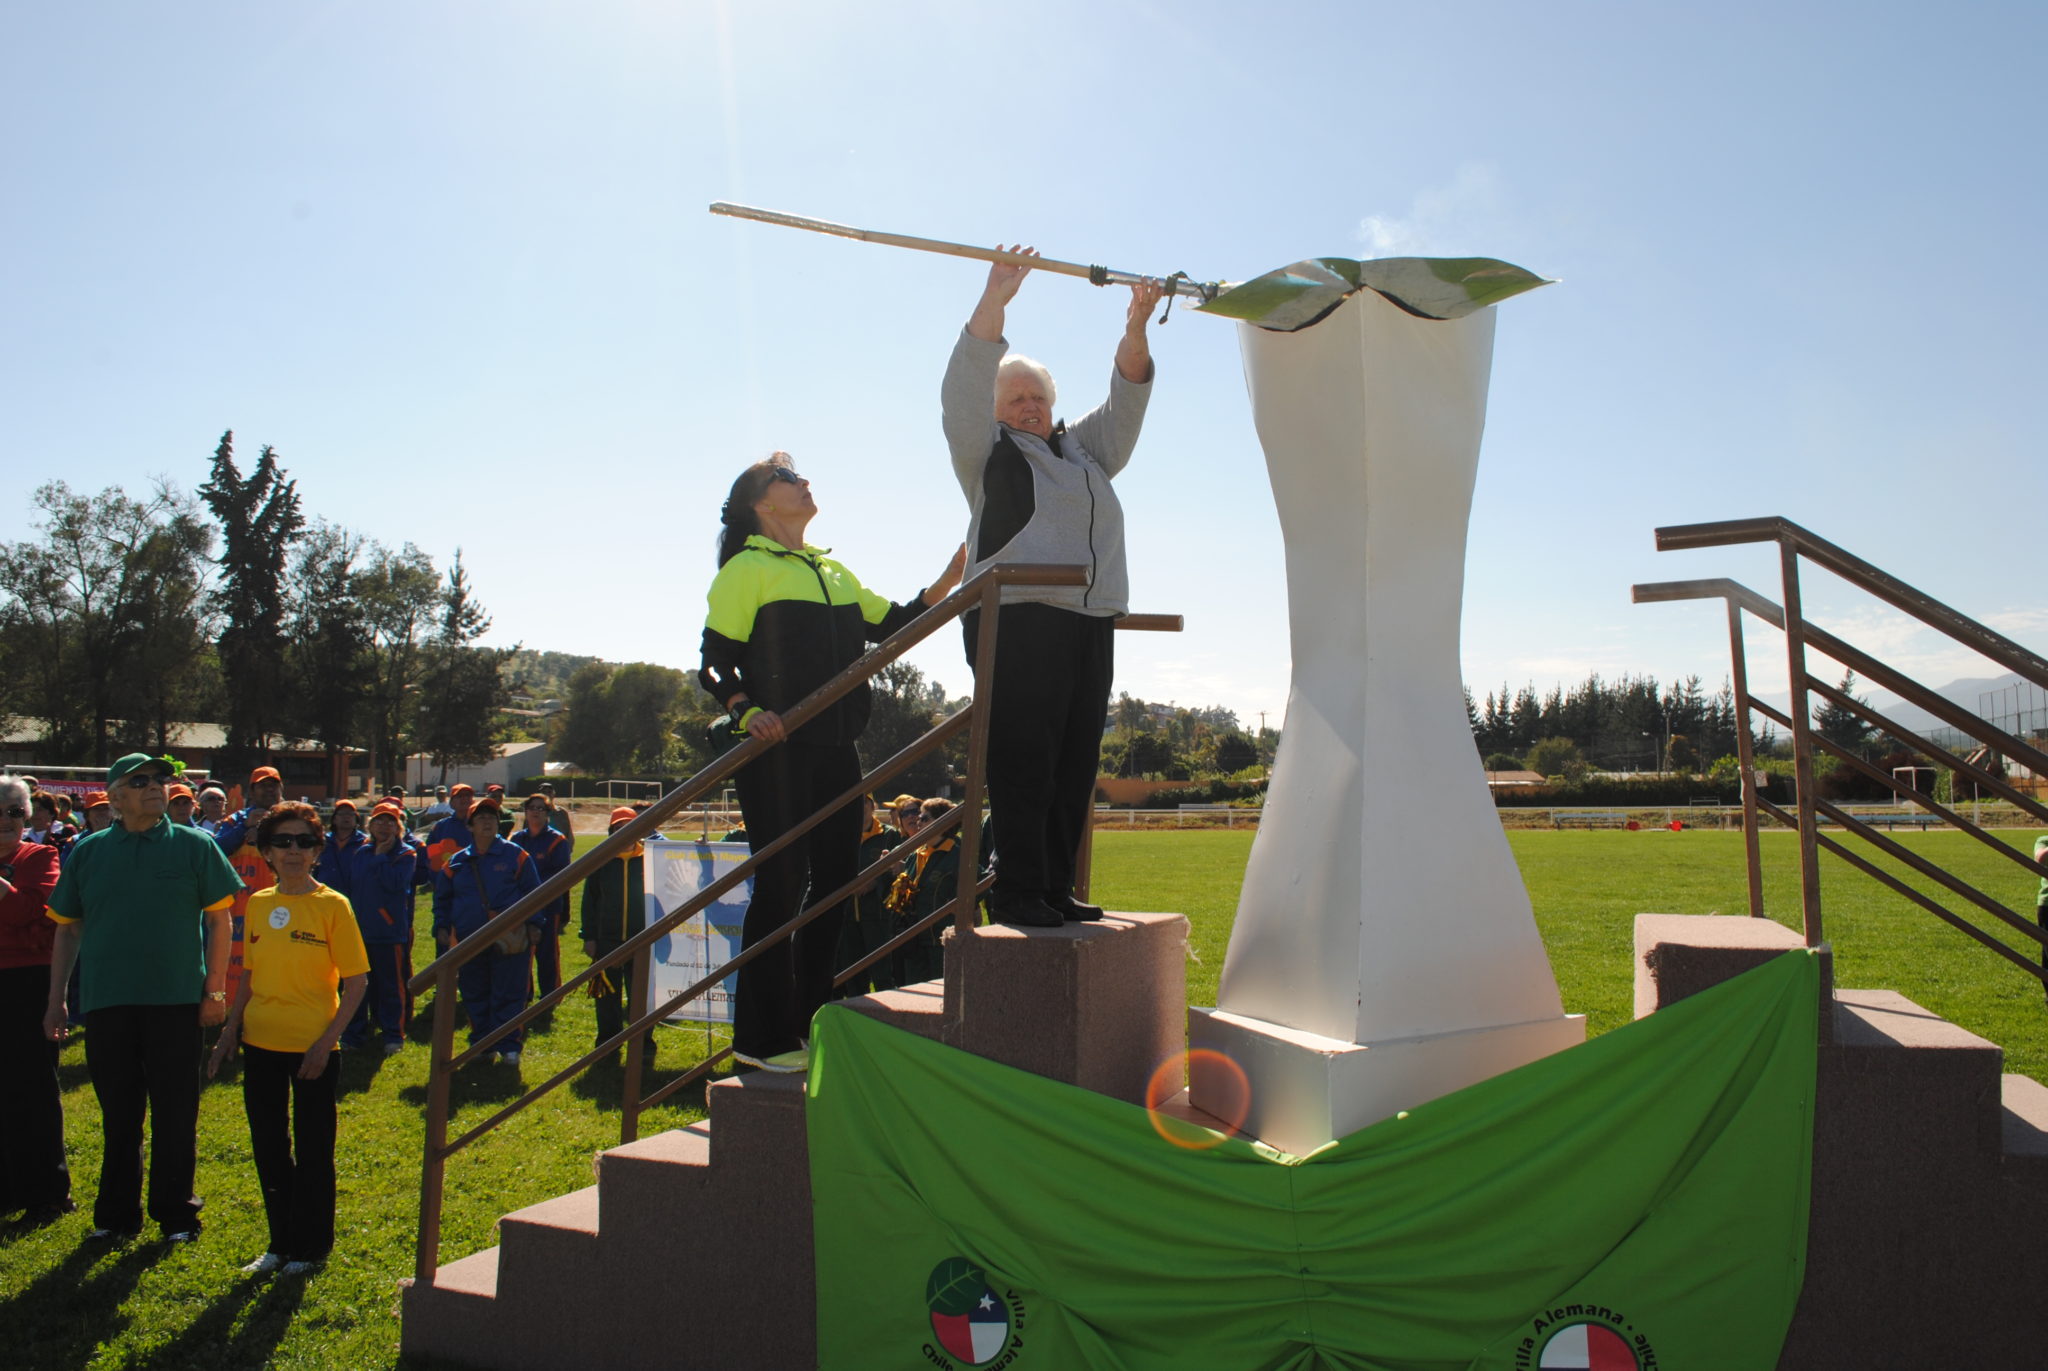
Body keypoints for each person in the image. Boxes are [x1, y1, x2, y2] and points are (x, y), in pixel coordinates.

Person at [698, 452, 964, 1073]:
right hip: (777, 751)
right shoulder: (746, 569)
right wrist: (744, 709)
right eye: (788, 477)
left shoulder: (834, 571)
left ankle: (809, 1019)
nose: (804, 482)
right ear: (761, 503)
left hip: (838, 749)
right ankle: (759, 1040)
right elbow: (713, 662)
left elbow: (895, 622)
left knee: (838, 881)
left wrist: (951, 577)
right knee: (782, 885)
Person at [941, 250, 1160, 927]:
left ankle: (1054, 887)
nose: (1029, 406)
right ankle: (1015, 891)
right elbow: (963, 387)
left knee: (1073, 761)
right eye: (1015, 398)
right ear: (994, 410)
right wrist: (994, 301)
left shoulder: (1081, 450)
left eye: (1037, 397)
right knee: (1024, 757)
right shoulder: (986, 451)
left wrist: (1136, 328)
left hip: (1089, 618)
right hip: (1018, 617)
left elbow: (1126, 404)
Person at [43, 753, 242, 1243]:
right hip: (108, 1001)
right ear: (115, 797)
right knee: (119, 1114)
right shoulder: (88, 852)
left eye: (160, 780)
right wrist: (56, 1000)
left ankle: (177, 1215)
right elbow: (67, 930)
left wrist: (215, 990)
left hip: (176, 1000)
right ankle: (116, 1218)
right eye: (141, 781)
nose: (156, 786)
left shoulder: (195, 845)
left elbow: (220, 921)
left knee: (176, 1112)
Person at [207, 802, 368, 1276]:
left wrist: (325, 1043)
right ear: (267, 852)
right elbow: (250, 976)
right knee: (269, 1146)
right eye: (283, 841)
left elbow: (357, 983)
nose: (293, 850)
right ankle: (280, 1243)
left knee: (315, 1151)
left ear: (317, 851)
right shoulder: (258, 903)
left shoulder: (333, 905)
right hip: (261, 1044)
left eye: (304, 841)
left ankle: (310, 1248)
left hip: (314, 1047)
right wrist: (230, 1031)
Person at [0, 775, 72, 1229]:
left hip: (27, 983)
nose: (6, 820)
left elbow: (35, 914)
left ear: (28, 815)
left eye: (15, 811)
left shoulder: (39, 856)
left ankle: (48, 1193)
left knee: (32, 1088)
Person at [431, 799, 543, 1066]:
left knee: (510, 992)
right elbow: (442, 899)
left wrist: (535, 924)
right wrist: (442, 926)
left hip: (510, 937)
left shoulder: (516, 855)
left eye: (492, 817)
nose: (487, 822)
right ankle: (482, 1043)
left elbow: (534, 893)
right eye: (480, 818)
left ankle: (509, 1046)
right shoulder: (456, 862)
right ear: (470, 826)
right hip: (470, 939)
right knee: (475, 992)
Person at [338, 803, 427, 1055]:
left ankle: (393, 1035)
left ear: (398, 827)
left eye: (390, 821)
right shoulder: (361, 852)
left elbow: (396, 884)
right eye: (379, 820)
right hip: (360, 931)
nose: (384, 826)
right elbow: (355, 886)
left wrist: (381, 857)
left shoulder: (406, 854)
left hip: (389, 932)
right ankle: (354, 1035)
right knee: (357, 986)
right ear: (370, 824)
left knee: (391, 987)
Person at [580, 807, 654, 1063]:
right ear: (611, 832)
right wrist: (589, 936)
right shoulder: (600, 861)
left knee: (640, 997)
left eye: (630, 827)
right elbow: (589, 901)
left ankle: (643, 1045)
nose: (624, 833)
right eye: (619, 828)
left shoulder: (649, 858)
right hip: (607, 941)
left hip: (641, 940)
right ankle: (607, 1044)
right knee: (606, 996)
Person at [214, 765, 285, 1008]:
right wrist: (244, 829)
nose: (269, 790)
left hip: (279, 903)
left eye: (273, 785)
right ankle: (231, 1010)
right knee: (236, 960)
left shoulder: (290, 819)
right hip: (239, 907)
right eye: (263, 786)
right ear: (252, 791)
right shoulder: (235, 820)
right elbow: (217, 851)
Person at [885, 797, 962, 985]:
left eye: (924, 818)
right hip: (914, 940)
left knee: (942, 992)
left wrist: (960, 906)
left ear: (943, 823)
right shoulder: (915, 854)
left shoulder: (956, 854)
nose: (918, 821)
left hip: (940, 942)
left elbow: (980, 882)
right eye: (919, 817)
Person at [834, 795, 903, 997]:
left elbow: (899, 869)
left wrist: (875, 881)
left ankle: (888, 1011)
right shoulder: (843, 836)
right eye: (856, 801)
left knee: (882, 972)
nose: (861, 806)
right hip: (848, 914)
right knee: (853, 974)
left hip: (877, 914)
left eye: (865, 801)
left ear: (872, 806)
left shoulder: (888, 835)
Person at [510, 794, 573, 998]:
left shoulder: (557, 840)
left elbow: (561, 875)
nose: (535, 812)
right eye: (532, 808)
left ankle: (550, 995)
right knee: (521, 951)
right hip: (521, 906)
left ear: (547, 814)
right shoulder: (517, 840)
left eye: (540, 808)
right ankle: (524, 994)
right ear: (525, 812)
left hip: (548, 906)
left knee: (547, 953)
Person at [314, 799, 367, 890]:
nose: (346, 817)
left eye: (350, 814)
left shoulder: (364, 842)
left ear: (356, 819)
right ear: (334, 819)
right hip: (324, 894)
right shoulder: (323, 841)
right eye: (342, 814)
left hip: (354, 895)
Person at [423, 784, 474, 875]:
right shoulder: (441, 826)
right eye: (460, 796)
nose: (465, 798)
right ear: (451, 803)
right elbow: (429, 853)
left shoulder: (479, 824)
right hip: (446, 876)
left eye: (468, 795)